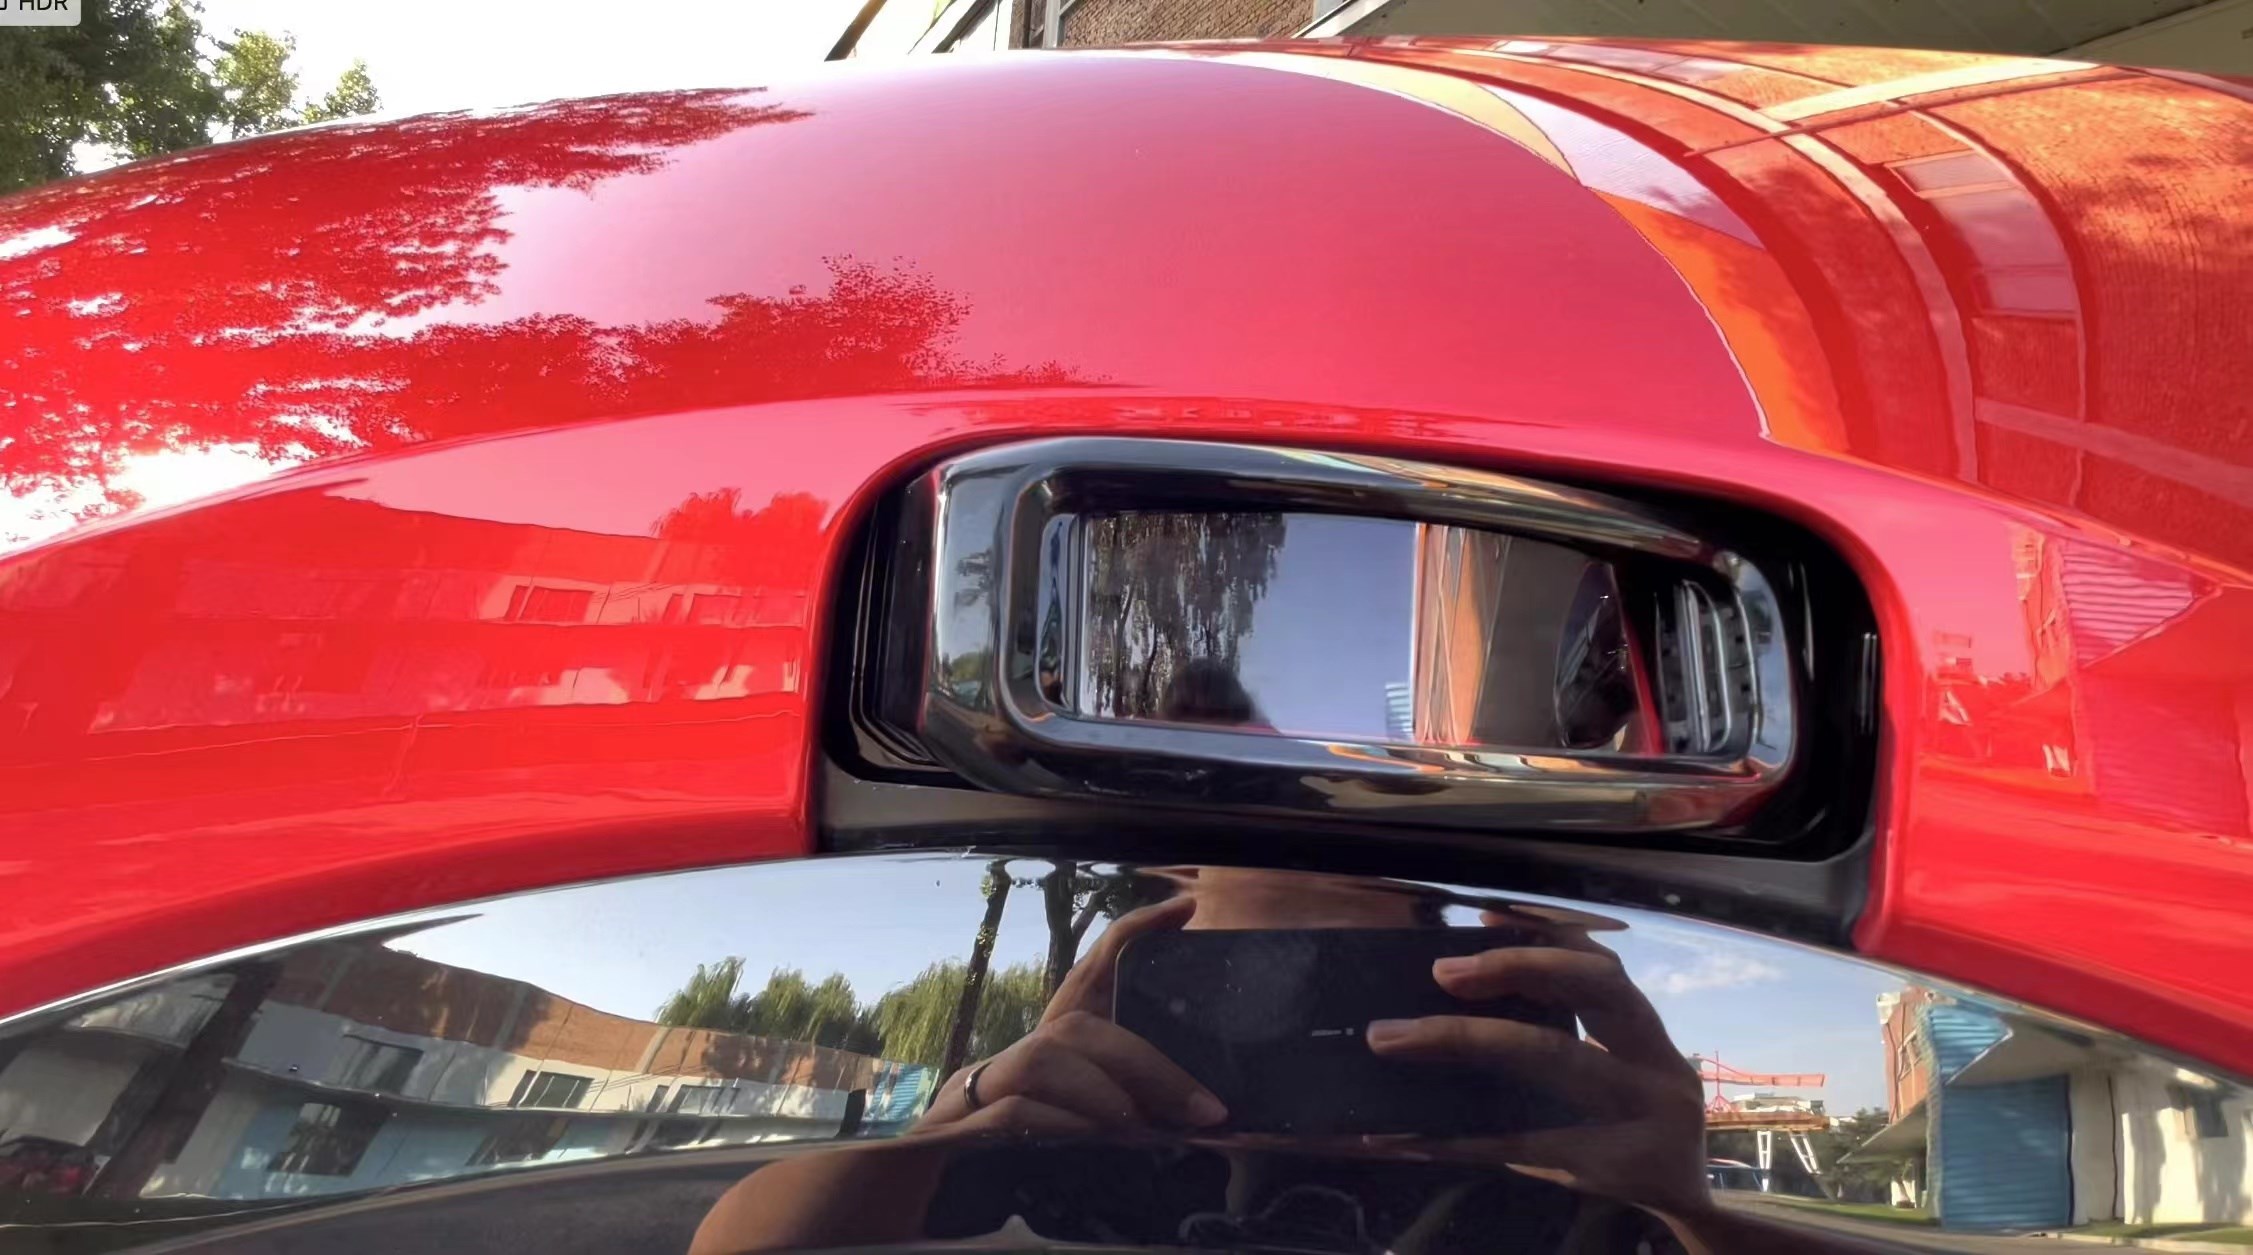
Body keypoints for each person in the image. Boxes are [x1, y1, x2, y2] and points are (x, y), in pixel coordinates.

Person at [690, 869, 1895, 1255]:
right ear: (1143, 989)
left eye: (1352, 984)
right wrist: (971, 1112)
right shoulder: (1106, 1145)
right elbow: (741, 1236)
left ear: (1469, 979)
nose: (1304, 1031)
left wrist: (1688, 1205)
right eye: (1233, 984)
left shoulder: (1545, 1177)